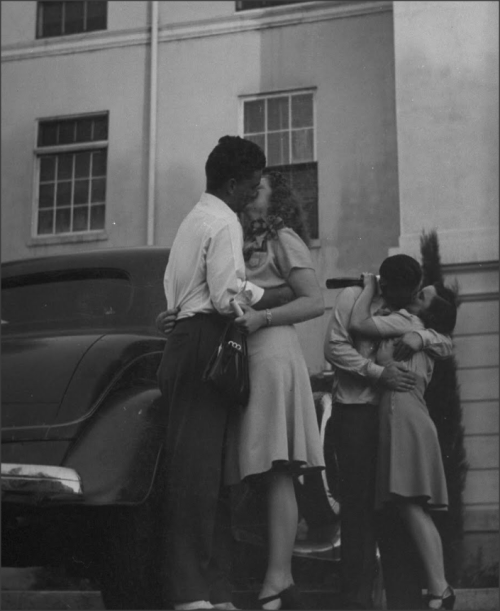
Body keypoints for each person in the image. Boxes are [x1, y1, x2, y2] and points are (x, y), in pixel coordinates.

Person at [158, 169, 326, 610]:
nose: (254, 192)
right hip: (235, 358)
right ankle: (249, 578)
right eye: (251, 186)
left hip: (269, 354)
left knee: (275, 466)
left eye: (263, 187)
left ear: (276, 199)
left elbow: (313, 300)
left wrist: (264, 317)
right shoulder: (230, 234)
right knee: (239, 469)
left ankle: (277, 578)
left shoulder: (283, 236)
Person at [324, 254, 454, 610]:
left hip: (394, 419)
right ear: (387, 283)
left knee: (398, 511)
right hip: (356, 413)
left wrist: (423, 335)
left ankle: (406, 601)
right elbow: (335, 347)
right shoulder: (353, 298)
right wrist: (378, 373)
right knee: (358, 512)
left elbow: (445, 339)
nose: (410, 295)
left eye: (416, 291)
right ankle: (357, 602)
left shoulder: (409, 318)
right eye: (407, 290)